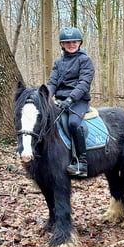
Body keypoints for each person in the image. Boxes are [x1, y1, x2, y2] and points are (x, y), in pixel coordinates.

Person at [47, 27, 95, 176]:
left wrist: (70, 99)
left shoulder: (85, 60)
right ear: (62, 45)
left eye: (74, 41)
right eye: (67, 42)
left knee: (74, 123)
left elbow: (84, 83)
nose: (71, 44)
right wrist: (45, 96)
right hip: (60, 101)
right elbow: (52, 83)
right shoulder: (58, 62)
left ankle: (82, 163)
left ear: (80, 43)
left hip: (78, 101)